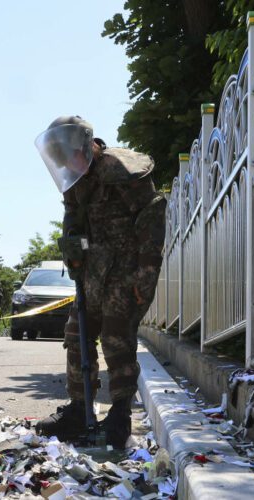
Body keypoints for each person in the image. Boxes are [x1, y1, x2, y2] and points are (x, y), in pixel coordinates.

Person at [33, 116, 166, 449]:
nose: (68, 165)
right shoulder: (74, 178)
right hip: (93, 272)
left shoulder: (124, 170)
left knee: (116, 338)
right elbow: (72, 217)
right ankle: (79, 409)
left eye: (71, 156)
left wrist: (146, 276)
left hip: (126, 270)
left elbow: (152, 220)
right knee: (76, 335)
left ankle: (120, 414)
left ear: (88, 146)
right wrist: (72, 250)